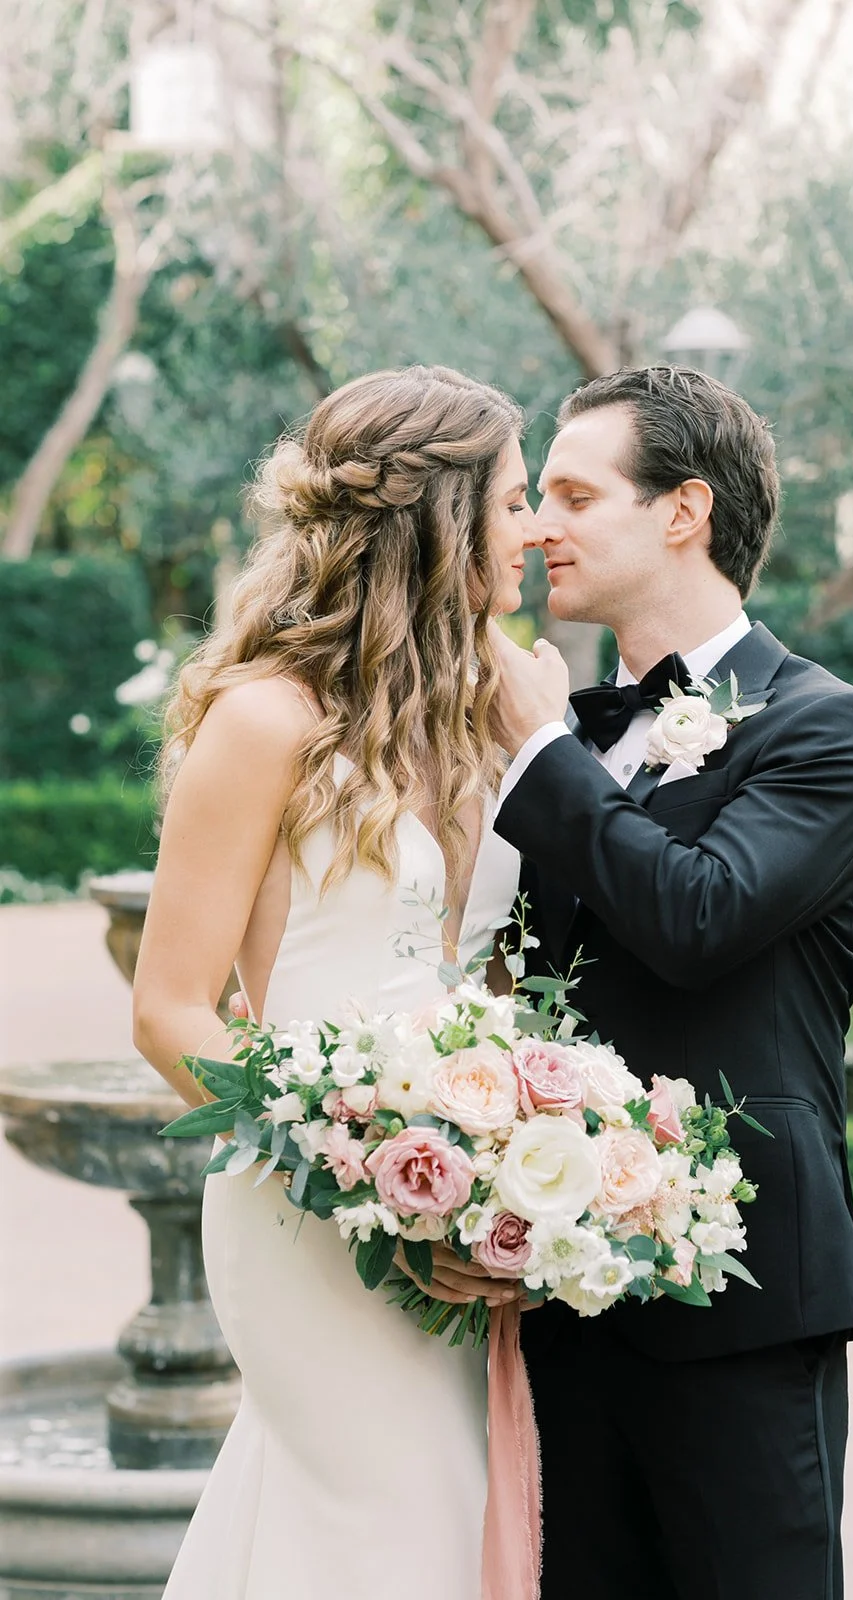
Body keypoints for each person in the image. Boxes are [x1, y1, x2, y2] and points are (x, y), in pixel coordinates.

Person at [489, 365, 853, 1600]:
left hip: (741, 1292)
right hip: (555, 1285)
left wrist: (535, 752)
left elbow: (697, 914)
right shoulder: (560, 723)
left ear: (682, 511)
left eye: (572, 493)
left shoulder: (825, 728)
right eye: (533, 497)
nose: (536, 526)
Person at [133, 365, 542, 1600]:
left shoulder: (505, 705)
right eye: (515, 503)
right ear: (440, 521)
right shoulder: (264, 720)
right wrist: (356, 1162)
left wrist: (510, 1158)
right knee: (385, 1511)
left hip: (463, 1205)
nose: (533, 532)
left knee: (442, 1514)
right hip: (306, 1205)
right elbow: (168, 1008)